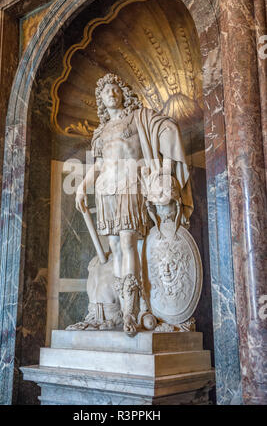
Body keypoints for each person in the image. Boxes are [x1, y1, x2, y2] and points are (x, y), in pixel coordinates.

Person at [76, 73, 193, 335]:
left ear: (123, 93)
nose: (111, 93)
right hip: (106, 188)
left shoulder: (139, 117)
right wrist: (82, 187)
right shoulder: (100, 132)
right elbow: (98, 165)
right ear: (101, 100)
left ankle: (130, 312)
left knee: (128, 243)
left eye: (115, 89)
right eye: (106, 91)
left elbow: (164, 128)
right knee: (116, 247)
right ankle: (128, 308)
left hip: (131, 184)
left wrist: (162, 164)